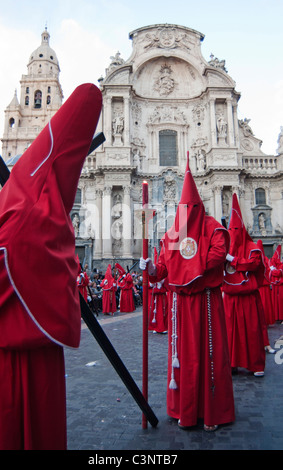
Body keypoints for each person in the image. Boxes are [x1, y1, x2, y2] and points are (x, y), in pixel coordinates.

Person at [0, 83, 102, 449]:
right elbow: (6, 258)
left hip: (24, 343)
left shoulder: (28, 192)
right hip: (19, 350)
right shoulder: (39, 208)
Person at [140, 155, 235, 432]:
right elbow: (163, 269)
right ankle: (185, 408)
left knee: (208, 355)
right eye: (184, 206)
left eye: (191, 206)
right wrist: (150, 268)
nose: (188, 210)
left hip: (206, 301)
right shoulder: (172, 234)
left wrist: (186, 266)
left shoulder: (213, 227)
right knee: (184, 356)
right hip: (179, 305)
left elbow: (217, 256)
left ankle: (210, 410)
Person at [223, 194, 267, 377]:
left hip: (248, 297)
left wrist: (234, 260)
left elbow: (254, 264)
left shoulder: (252, 247)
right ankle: (232, 363)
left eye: (236, 228)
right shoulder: (225, 247)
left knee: (251, 332)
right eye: (230, 229)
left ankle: (256, 365)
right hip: (230, 298)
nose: (233, 231)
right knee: (230, 334)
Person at [148, 248, 168, 334]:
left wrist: (161, 281)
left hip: (161, 296)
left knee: (161, 312)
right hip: (155, 296)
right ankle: (153, 326)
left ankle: (161, 326)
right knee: (153, 311)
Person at [269, 245, 283, 322]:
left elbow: (278, 273)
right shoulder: (272, 265)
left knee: (280, 301)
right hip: (274, 286)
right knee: (274, 301)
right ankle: (276, 316)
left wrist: (273, 270)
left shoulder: (280, 265)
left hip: (280, 286)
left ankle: (280, 316)